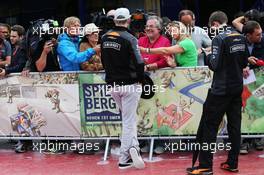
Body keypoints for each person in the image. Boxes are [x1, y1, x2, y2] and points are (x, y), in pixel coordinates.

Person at [187, 11, 248, 175]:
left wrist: (207, 55)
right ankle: (232, 163)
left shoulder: (219, 38)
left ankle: (205, 166)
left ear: (214, 24)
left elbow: (214, 65)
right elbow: (244, 62)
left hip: (220, 90)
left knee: (209, 127)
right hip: (236, 88)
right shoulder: (241, 37)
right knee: (235, 127)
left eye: (210, 27)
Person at [101, 7, 145, 170]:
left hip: (112, 86)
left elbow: (104, 61)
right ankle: (124, 157)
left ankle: (134, 147)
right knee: (128, 121)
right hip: (129, 85)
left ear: (114, 20)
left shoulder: (105, 37)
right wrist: (140, 80)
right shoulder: (130, 38)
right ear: (128, 20)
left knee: (128, 120)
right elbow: (139, 62)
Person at [240, 21, 264, 154]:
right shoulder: (238, 42)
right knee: (244, 110)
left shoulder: (263, 41)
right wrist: (242, 65)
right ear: (248, 35)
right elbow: (232, 59)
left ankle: (257, 138)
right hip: (242, 83)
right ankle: (245, 141)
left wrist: (251, 65)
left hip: (259, 82)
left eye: (261, 33)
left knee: (258, 108)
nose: (261, 36)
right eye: (258, 35)